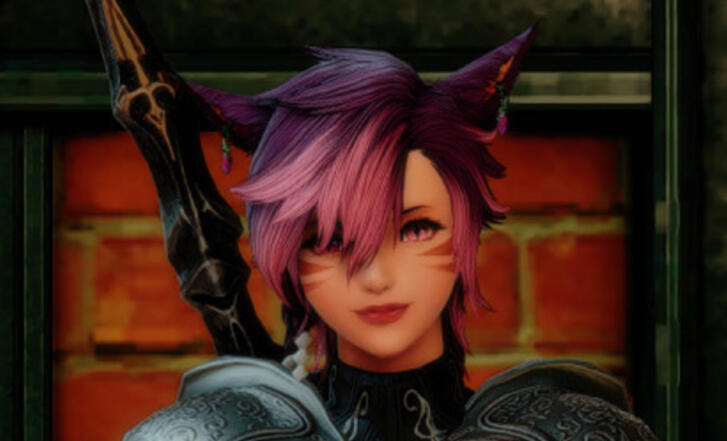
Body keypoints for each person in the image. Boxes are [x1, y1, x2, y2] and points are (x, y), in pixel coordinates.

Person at [86, 1, 661, 440]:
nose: (376, 277)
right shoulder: (204, 433)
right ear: (287, 254)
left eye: (415, 229)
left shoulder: (569, 430)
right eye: (329, 240)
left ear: (463, 227)